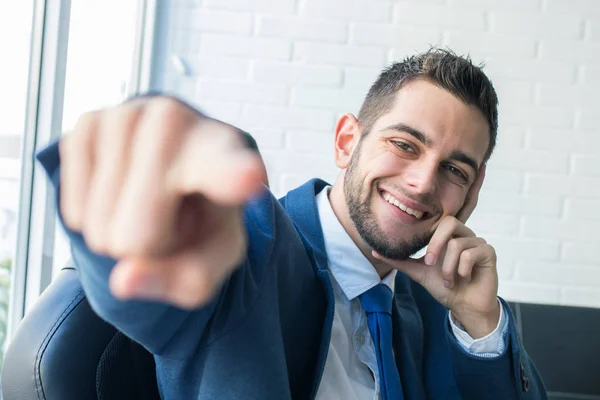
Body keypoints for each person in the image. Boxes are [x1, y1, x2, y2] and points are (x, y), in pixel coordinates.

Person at [37, 48, 546, 399]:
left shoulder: (441, 311)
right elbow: (158, 259)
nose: (421, 182)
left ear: (472, 192)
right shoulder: (252, 245)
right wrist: (142, 195)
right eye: (404, 144)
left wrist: (481, 326)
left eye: (454, 169)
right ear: (347, 142)